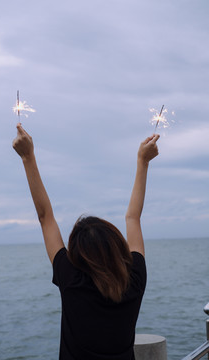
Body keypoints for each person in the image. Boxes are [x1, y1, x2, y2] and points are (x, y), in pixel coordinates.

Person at [12, 124, 160, 360]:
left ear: (78, 257)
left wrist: (28, 157)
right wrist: (143, 162)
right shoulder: (134, 280)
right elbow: (133, 218)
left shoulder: (72, 281)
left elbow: (45, 217)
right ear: (117, 246)